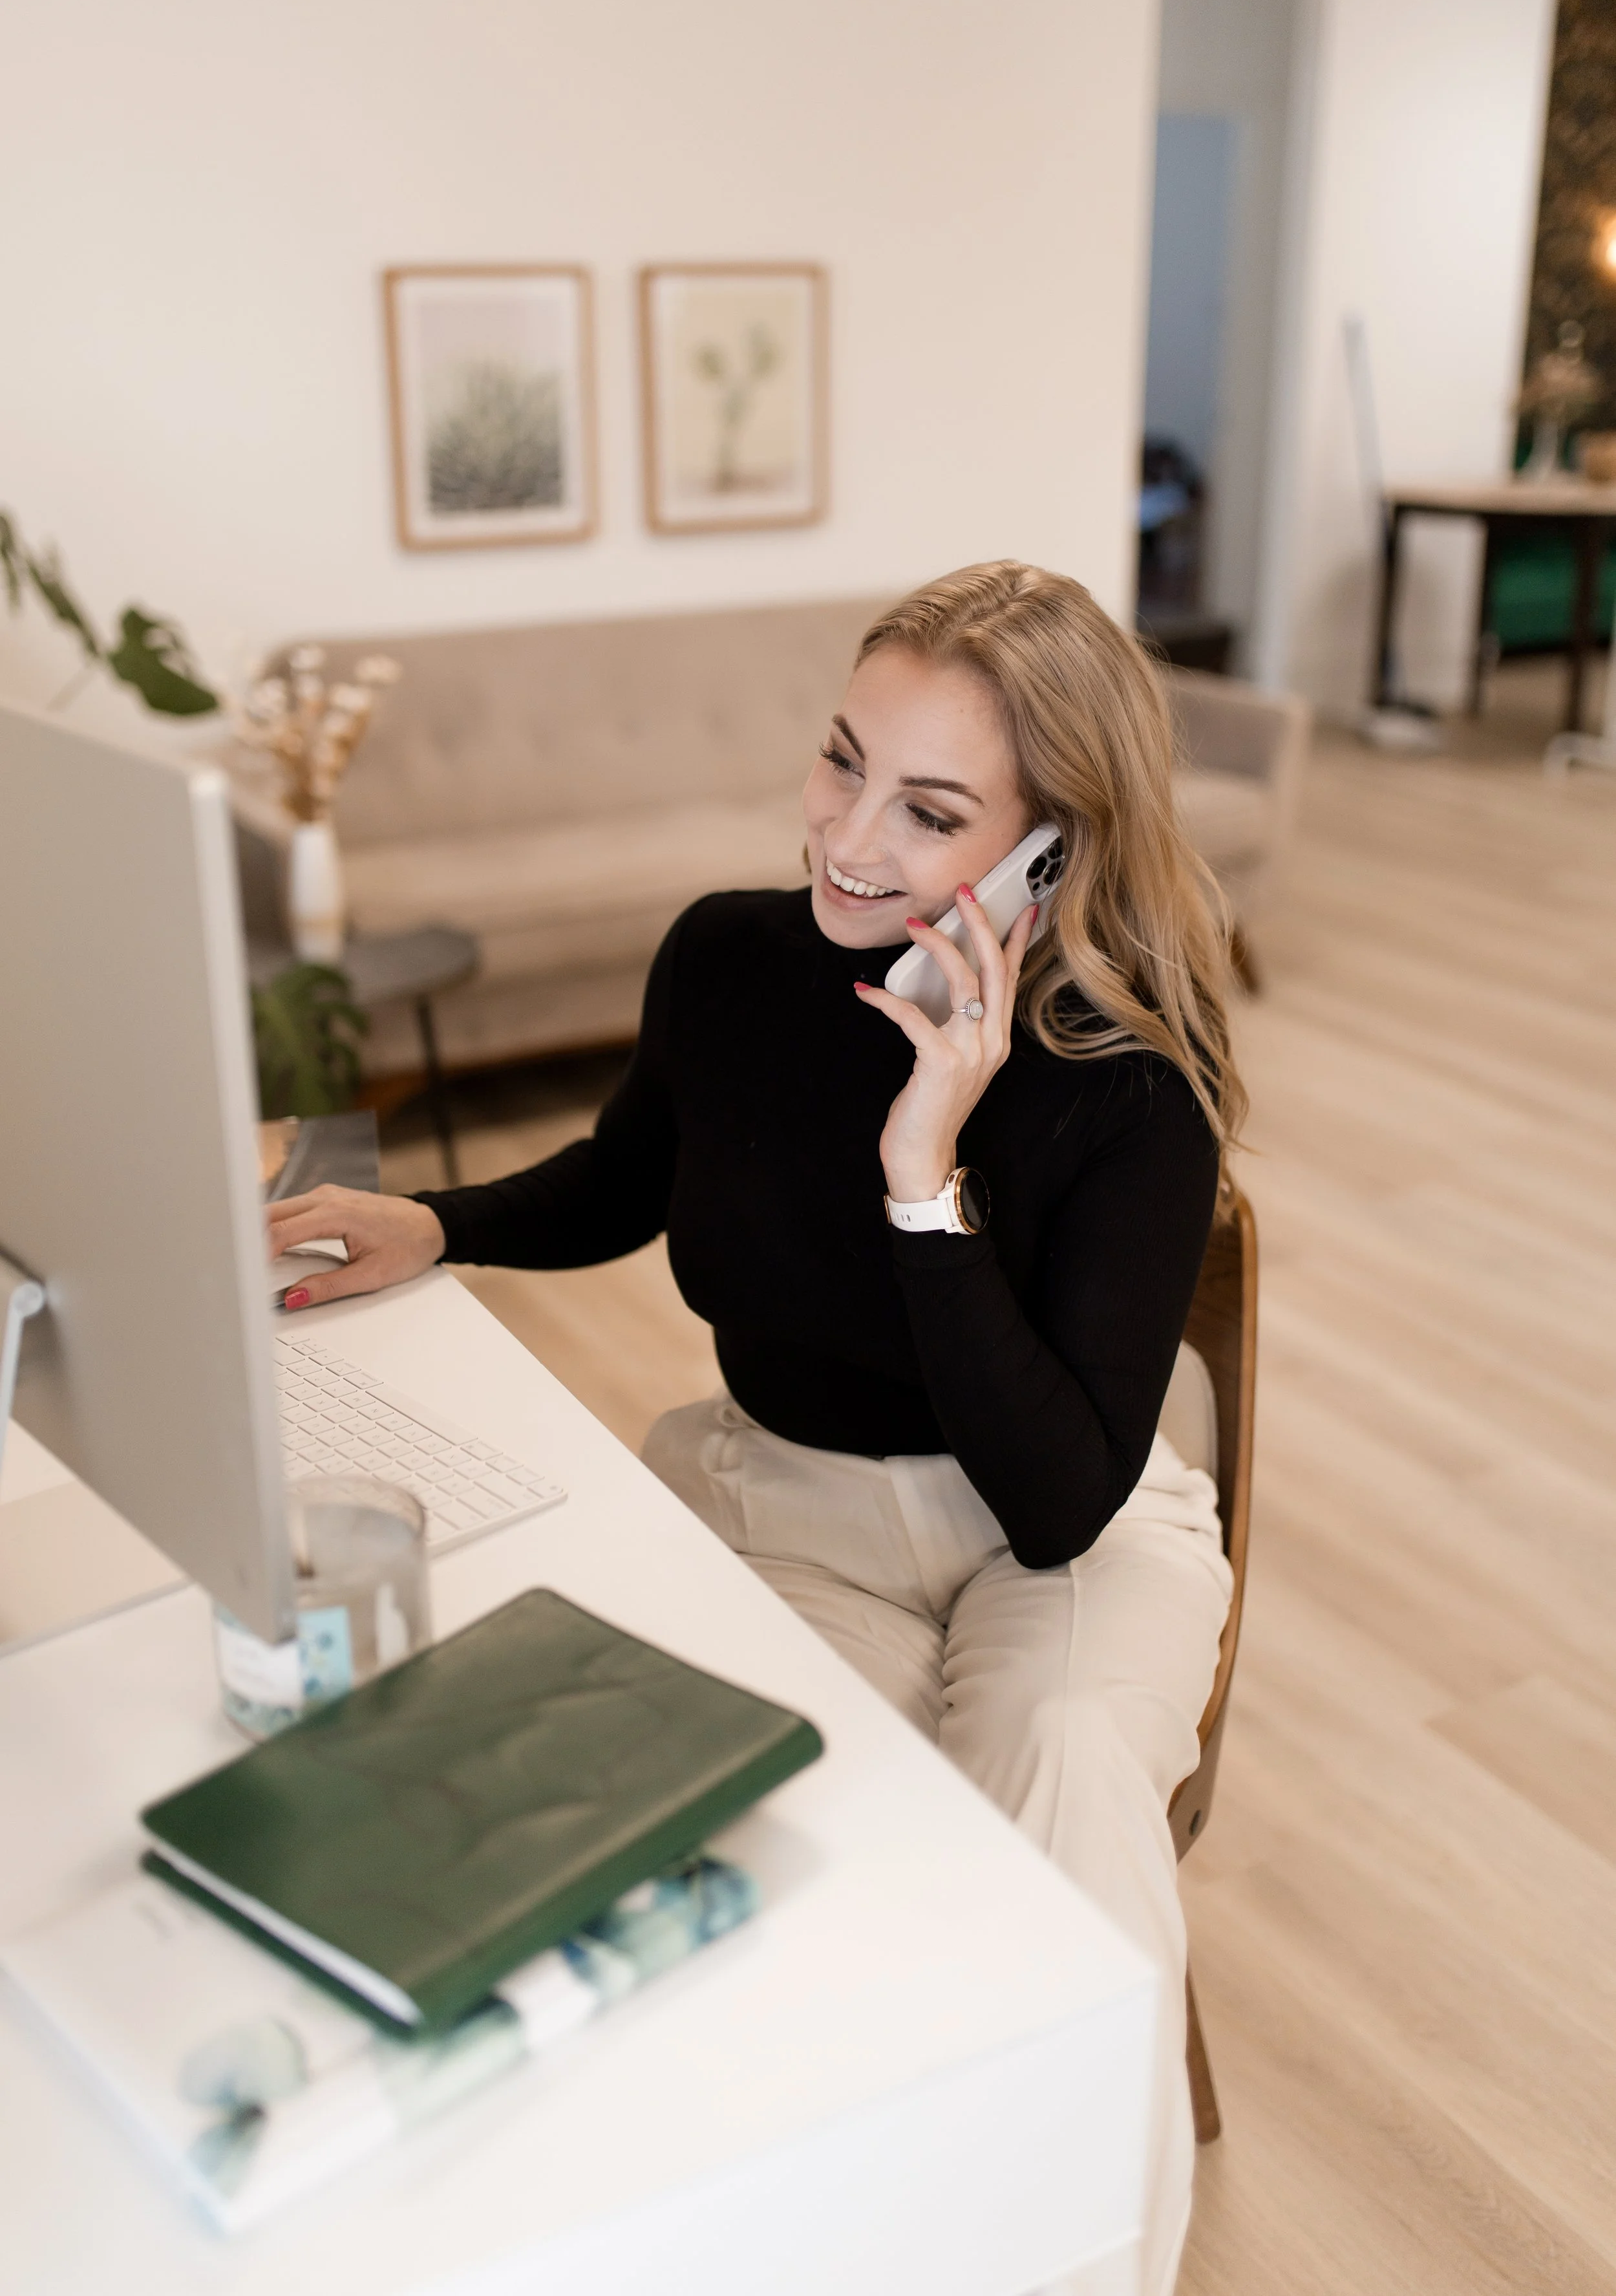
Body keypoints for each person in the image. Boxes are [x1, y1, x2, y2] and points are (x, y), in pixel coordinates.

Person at [268, 561, 1246, 2295]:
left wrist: (924, 1172)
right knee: (789, 1845)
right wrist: (440, 1216)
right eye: (838, 760)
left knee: (1071, 1782)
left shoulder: (1125, 1080)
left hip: (1067, 1529)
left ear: (1054, 849)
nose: (848, 838)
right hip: (787, 1507)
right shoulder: (729, 960)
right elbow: (631, 1174)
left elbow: (1047, 1496)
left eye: (930, 809)